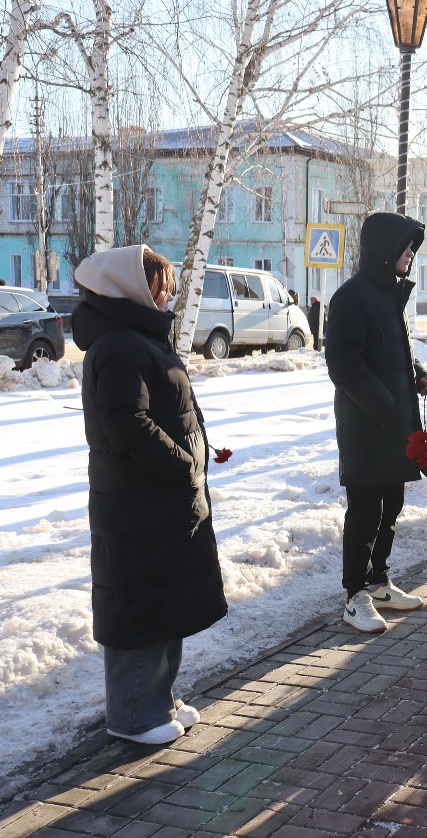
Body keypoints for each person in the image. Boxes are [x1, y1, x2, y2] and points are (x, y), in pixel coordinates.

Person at [74, 245, 227, 745]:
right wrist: (183, 463)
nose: (168, 297)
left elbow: (167, 408)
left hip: (157, 502)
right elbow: (127, 424)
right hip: (138, 503)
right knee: (138, 610)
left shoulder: (138, 338)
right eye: (161, 287)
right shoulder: (120, 344)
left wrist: (199, 447)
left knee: (164, 602)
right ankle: (133, 716)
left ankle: (157, 700)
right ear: (133, 289)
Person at [325, 212, 427, 635]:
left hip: (395, 425)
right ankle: (355, 595)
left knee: (392, 507)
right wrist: (387, 406)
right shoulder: (351, 298)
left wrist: (417, 375)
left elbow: (392, 352)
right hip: (367, 427)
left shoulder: (390, 297)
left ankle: (378, 581)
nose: (411, 254)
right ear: (386, 250)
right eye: (406, 246)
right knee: (366, 511)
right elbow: (345, 365)